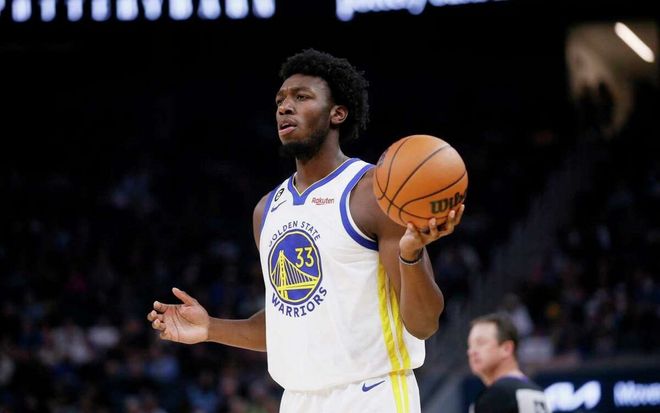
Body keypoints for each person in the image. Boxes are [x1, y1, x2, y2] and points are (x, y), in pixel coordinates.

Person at [147, 48, 465, 413]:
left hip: (371, 394)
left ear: (337, 113)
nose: (285, 107)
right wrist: (210, 328)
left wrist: (411, 256)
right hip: (297, 399)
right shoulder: (266, 210)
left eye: (301, 97)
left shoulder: (374, 192)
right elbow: (286, 325)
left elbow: (424, 324)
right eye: (280, 100)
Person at [467, 312, 549, 413]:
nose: (471, 352)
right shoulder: (538, 392)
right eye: (470, 345)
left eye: (481, 343)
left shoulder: (495, 396)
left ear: (506, 349)